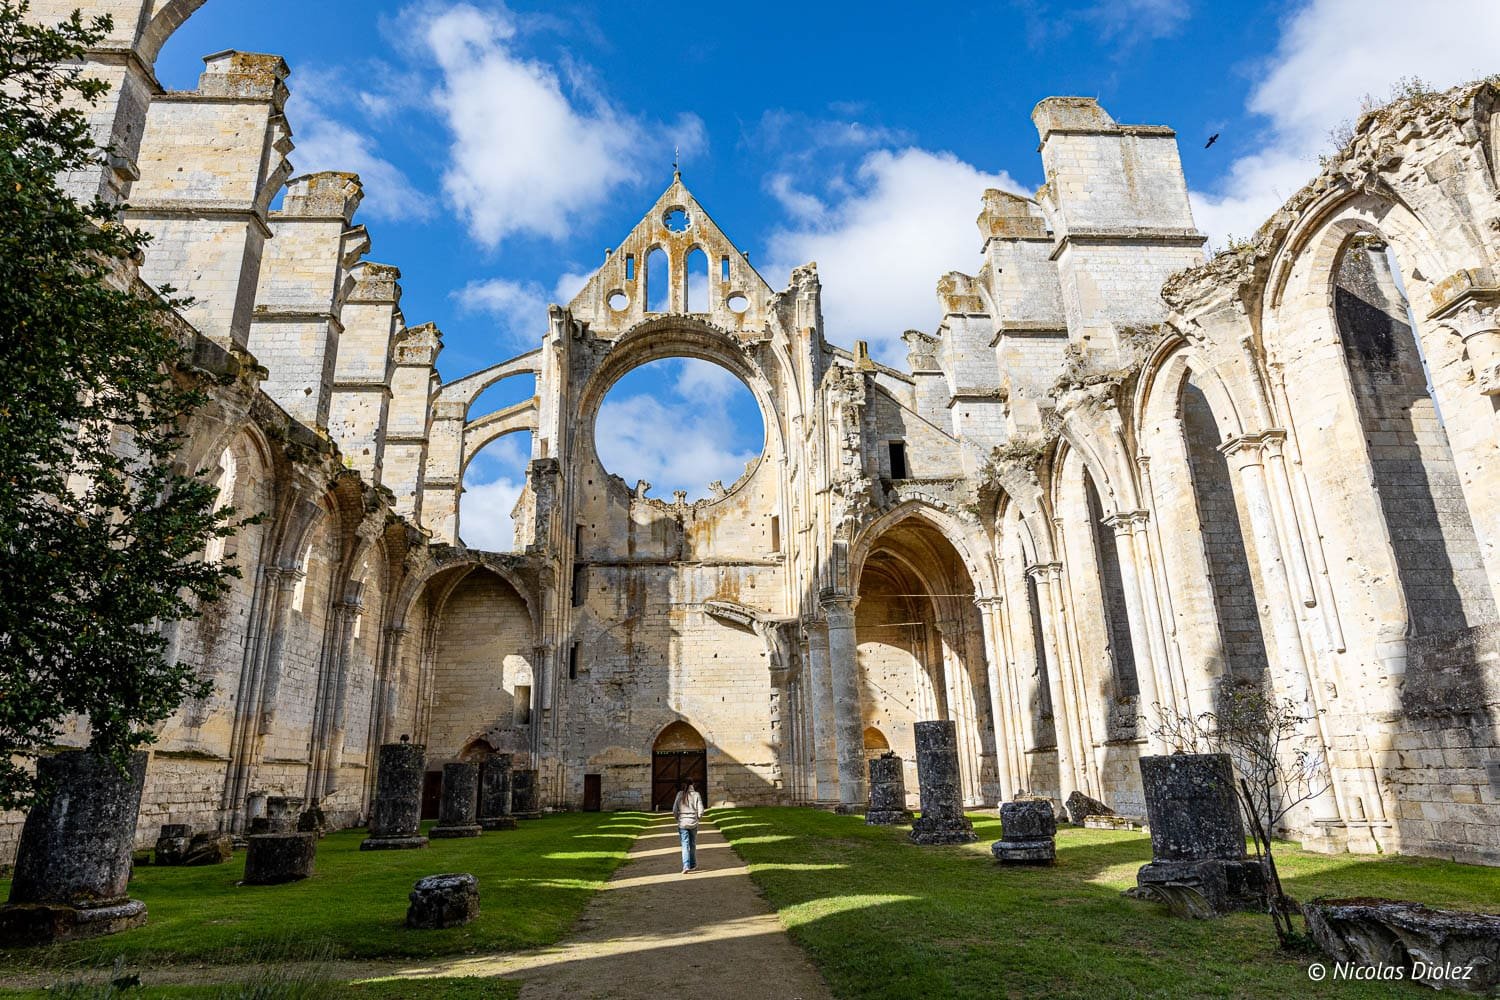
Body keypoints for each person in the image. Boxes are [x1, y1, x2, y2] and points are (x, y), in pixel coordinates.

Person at [672, 779, 704, 874]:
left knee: (685, 845)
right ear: (692, 784)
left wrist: (678, 818)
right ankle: (693, 864)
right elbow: (701, 810)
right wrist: (697, 818)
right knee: (692, 844)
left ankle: (686, 865)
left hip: (682, 822)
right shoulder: (696, 794)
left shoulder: (679, 794)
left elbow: (674, 809)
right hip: (693, 822)